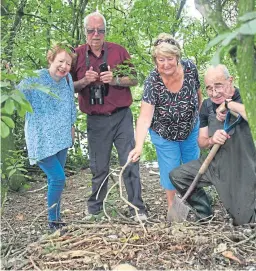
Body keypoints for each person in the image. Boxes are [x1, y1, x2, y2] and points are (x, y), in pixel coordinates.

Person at [71, 11, 147, 220]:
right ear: (86, 32)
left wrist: (114, 80)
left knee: (130, 161)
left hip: (121, 116)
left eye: (100, 30)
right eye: (91, 30)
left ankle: (137, 209)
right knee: (99, 167)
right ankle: (95, 211)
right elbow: (67, 87)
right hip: (96, 120)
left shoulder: (118, 51)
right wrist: (84, 82)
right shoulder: (76, 55)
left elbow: (134, 79)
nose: (96, 34)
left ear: (105, 31)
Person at [170, 64, 256, 225]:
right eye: (209, 88)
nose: (214, 93)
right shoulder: (207, 106)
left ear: (230, 80)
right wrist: (212, 140)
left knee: (245, 221)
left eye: (218, 86)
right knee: (178, 176)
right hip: (213, 164)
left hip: (241, 169)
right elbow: (202, 142)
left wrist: (229, 105)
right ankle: (205, 213)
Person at [129, 33, 203, 209]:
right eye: (161, 60)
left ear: (177, 57)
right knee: (170, 169)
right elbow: (145, 117)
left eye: (170, 58)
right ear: (155, 60)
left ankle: (193, 201)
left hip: (190, 129)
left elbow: (199, 95)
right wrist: (138, 146)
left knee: (192, 166)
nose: (166, 64)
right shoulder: (152, 82)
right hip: (164, 133)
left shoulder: (190, 68)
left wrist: (199, 119)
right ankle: (172, 206)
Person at [18, 44, 77, 231]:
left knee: (55, 181)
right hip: (41, 139)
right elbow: (15, 97)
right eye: (60, 61)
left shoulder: (67, 78)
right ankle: (53, 221)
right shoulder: (34, 78)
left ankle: (57, 219)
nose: (64, 66)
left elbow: (70, 104)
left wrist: (72, 126)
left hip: (61, 136)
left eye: (68, 63)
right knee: (58, 178)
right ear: (50, 59)